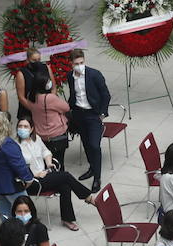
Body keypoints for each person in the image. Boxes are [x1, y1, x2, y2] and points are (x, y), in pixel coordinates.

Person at [15, 113, 98, 231]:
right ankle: (88, 197)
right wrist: (36, 174)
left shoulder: (36, 139)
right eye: (20, 126)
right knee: (65, 176)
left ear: (32, 128)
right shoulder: (15, 146)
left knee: (65, 186)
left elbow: (46, 152)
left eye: (25, 126)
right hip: (31, 181)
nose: (22, 129)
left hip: (44, 174)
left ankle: (67, 218)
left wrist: (48, 163)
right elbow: (18, 169)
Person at [66, 49, 111, 188]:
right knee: (86, 143)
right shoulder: (70, 76)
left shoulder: (94, 75)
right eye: (76, 63)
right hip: (79, 114)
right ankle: (92, 168)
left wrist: (102, 114)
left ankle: (97, 177)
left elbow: (106, 95)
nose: (79, 65)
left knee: (94, 145)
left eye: (81, 62)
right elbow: (73, 94)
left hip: (93, 114)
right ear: (71, 64)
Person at [17, 62, 71, 174]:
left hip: (41, 137)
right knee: (59, 163)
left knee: (46, 163)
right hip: (56, 135)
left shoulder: (33, 99)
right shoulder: (50, 98)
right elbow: (66, 108)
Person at [0, 111, 36, 211]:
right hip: (10, 184)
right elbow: (19, 165)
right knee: (24, 210)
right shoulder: (7, 144)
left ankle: (6, 226)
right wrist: (28, 179)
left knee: (5, 209)